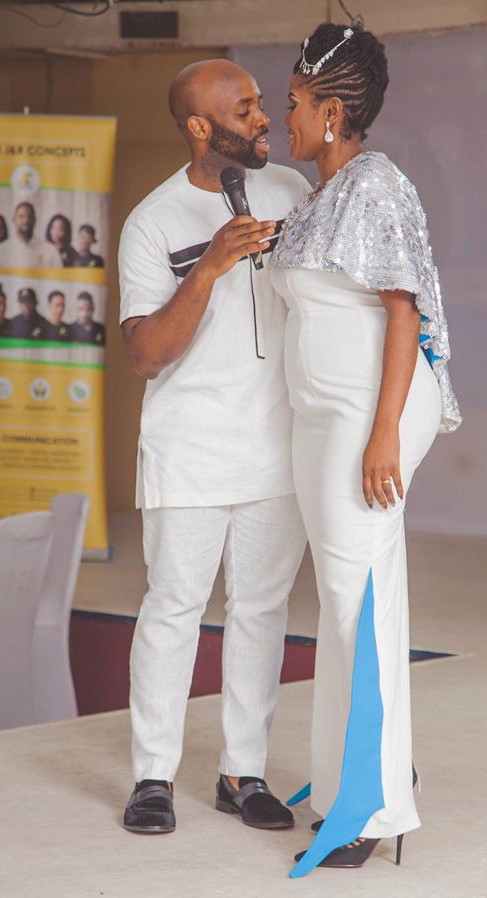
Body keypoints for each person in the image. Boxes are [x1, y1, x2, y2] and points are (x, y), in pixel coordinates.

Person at [268, 21, 461, 877]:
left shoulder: (377, 184)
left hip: (368, 414)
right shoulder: (323, 195)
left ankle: (374, 807)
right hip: (324, 416)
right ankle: (361, 777)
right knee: (342, 599)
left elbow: (402, 309)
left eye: (294, 102)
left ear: (333, 111)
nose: (285, 118)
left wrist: (384, 431)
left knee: (360, 595)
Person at [118, 58, 311, 836]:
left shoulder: (293, 193)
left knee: (261, 610)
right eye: (244, 109)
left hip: (276, 447)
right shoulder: (153, 221)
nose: (262, 118)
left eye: (261, 104)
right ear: (200, 128)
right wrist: (210, 264)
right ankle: (152, 777)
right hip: (188, 450)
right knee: (173, 609)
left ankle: (243, 772)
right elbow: (145, 354)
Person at [0, 203, 62, 270]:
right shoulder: (0, 251)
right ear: (14, 220)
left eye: (29, 217)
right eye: (21, 217)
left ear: (35, 220)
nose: (26, 221)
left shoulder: (50, 250)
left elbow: (58, 278)